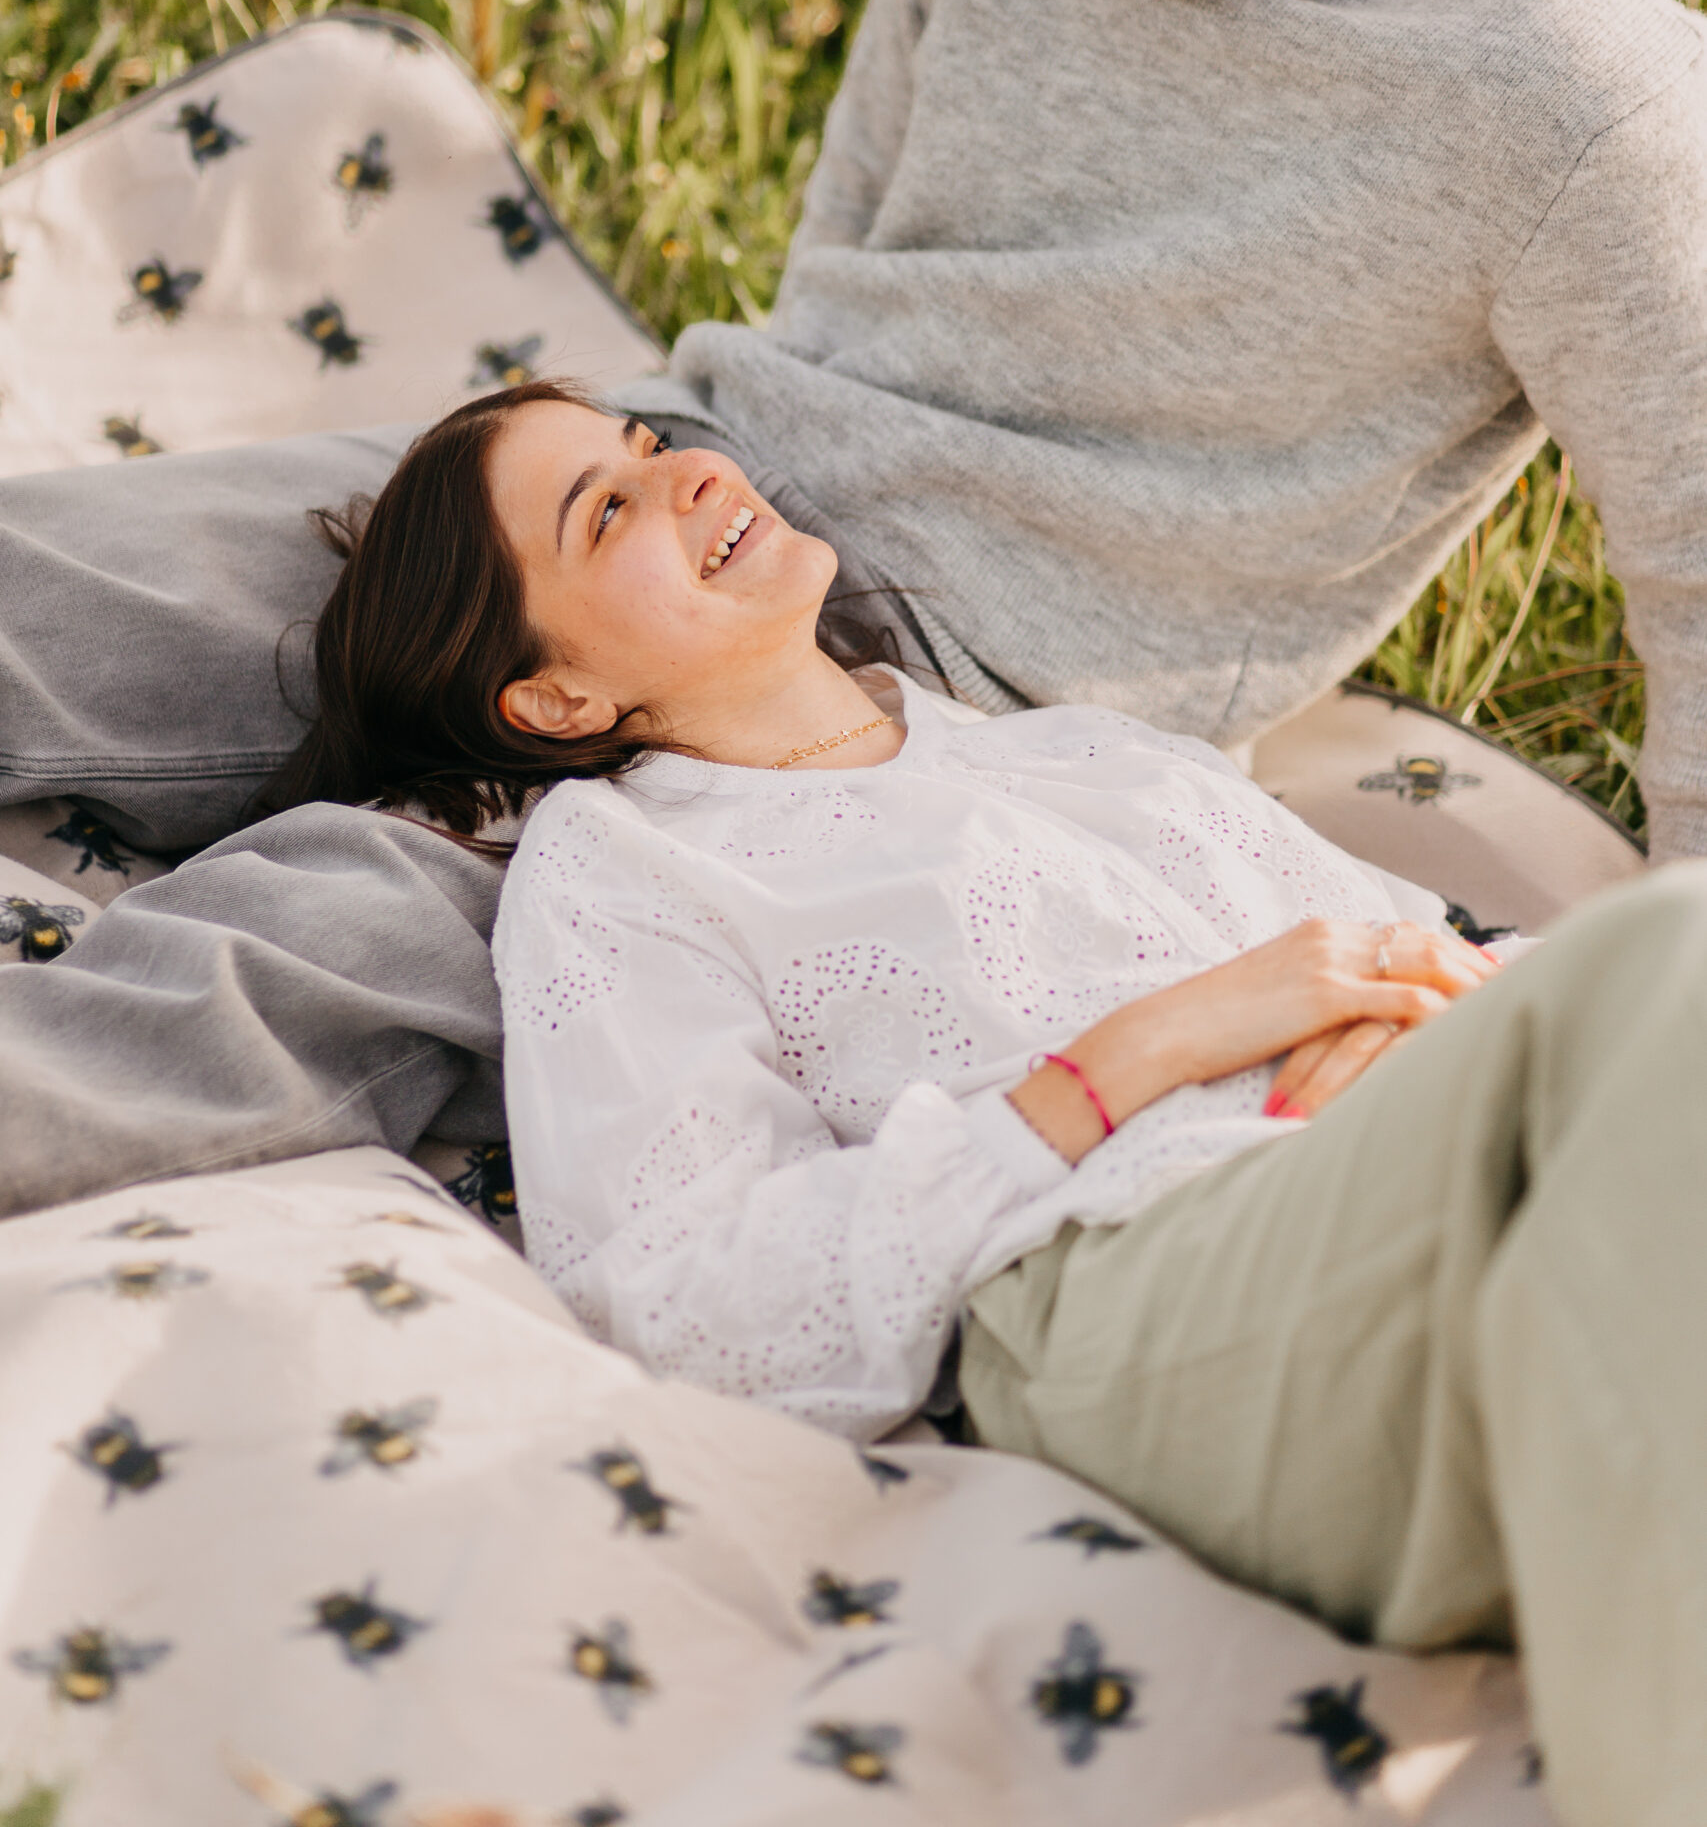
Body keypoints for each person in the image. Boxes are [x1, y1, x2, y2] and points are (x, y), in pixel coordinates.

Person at [4, 0, 1704, 1209]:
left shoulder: (1591, 107)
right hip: (712, 474)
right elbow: (851, 247)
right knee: (72, 577)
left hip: (953, 705)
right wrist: (662, 504)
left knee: (316, 938)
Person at [266, 378, 1707, 1827]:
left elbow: (1452, 960)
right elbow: (689, 1304)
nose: (688, 475)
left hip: (1415, 1169)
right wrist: (1134, 1056)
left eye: (652, 447)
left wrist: (1422, 1010)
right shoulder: (623, 868)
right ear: (558, 696)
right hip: (1130, 1277)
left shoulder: (1083, 751)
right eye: (607, 511)